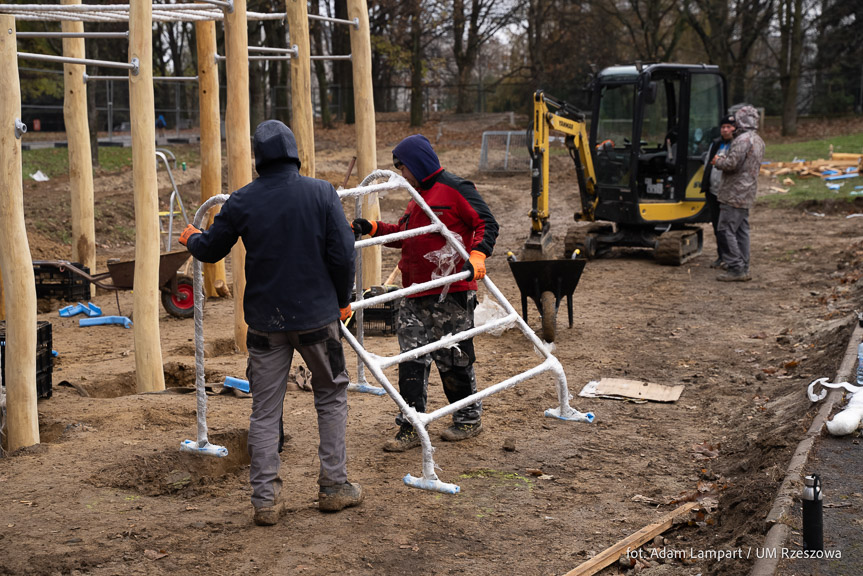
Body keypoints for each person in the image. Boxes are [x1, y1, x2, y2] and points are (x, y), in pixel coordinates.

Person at [179, 120, 361, 526]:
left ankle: (265, 501)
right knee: (331, 396)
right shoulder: (321, 193)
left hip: (264, 324)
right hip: (318, 318)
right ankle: (334, 487)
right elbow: (344, 254)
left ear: (258, 159)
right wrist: (342, 300)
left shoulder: (242, 201)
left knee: (264, 411)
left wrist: (191, 237)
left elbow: (209, 250)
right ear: (295, 153)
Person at [352, 134, 499, 452]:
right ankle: (411, 424)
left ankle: (468, 418)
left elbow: (486, 222)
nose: (402, 175)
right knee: (411, 360)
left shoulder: (457, 189)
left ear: (417, 163)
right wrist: (373, 228)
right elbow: (407, 235)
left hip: (452, 291)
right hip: (415, 292)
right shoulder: (416, 197)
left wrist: (477, 256)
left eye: (404, 168)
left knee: (454, 358)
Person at [712, 105, 765, 282]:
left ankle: (736, 267)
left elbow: (731, 164)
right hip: (747, 191)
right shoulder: (758, 140)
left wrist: (718, 161)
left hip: (734, 193)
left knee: (725, 229)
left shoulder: (742, 140)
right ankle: (744, 265)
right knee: (742, 231)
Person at [701, 114, 736, 269]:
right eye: (723, 127)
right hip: (713, 190)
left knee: (728, 227)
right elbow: (708, 161)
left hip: (728, 192)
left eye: (729, 127)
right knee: (717, 226)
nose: (725, 130)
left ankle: (732, 258)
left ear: (735, 128)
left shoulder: (737, 145)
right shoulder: (716, 144)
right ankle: (721, 255)